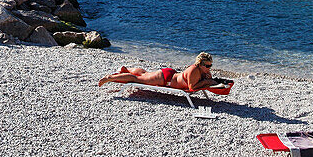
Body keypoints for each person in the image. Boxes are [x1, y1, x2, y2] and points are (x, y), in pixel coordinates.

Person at [98, 52, 231, 92]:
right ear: (200, 64)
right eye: (208, 65)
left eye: (211, 65)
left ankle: (125, 70)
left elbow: (204, 80)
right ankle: (110, 78)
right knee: (136, 79)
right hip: (165, 79)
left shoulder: (202, 70)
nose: (210, 68)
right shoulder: (193, 71)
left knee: (144, 73)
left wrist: (208, 77)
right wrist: (208, 81)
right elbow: (192, 87)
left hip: (169, 75)